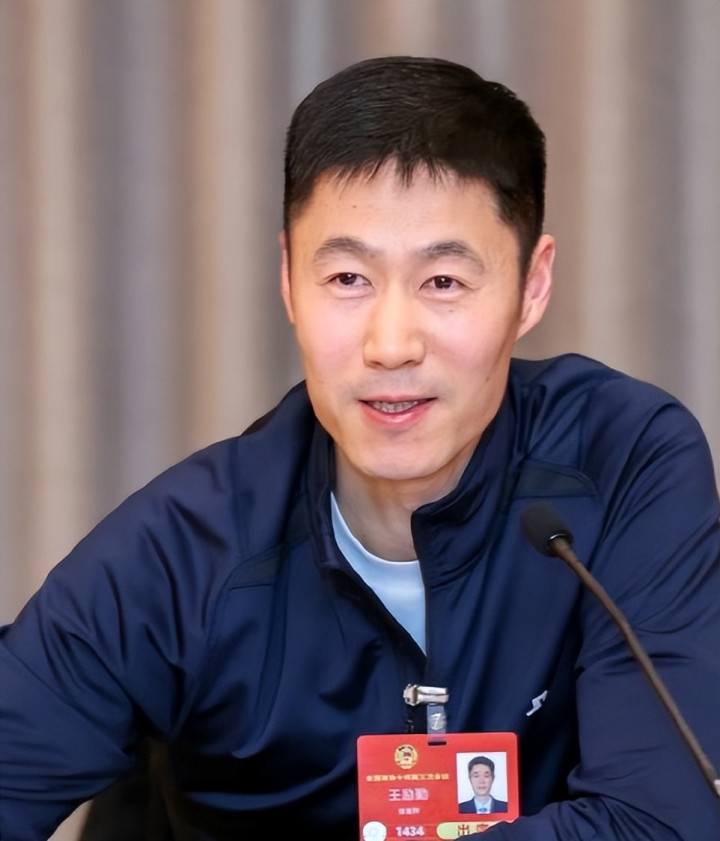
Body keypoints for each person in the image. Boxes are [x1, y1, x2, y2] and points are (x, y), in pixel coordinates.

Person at [0, 55, 718, 841]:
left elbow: (662, 821)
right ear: (289, 279)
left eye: (443, 282)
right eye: (347, 278)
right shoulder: (187, 553)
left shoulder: (620, 462)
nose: (390, 343)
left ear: (531, 285)